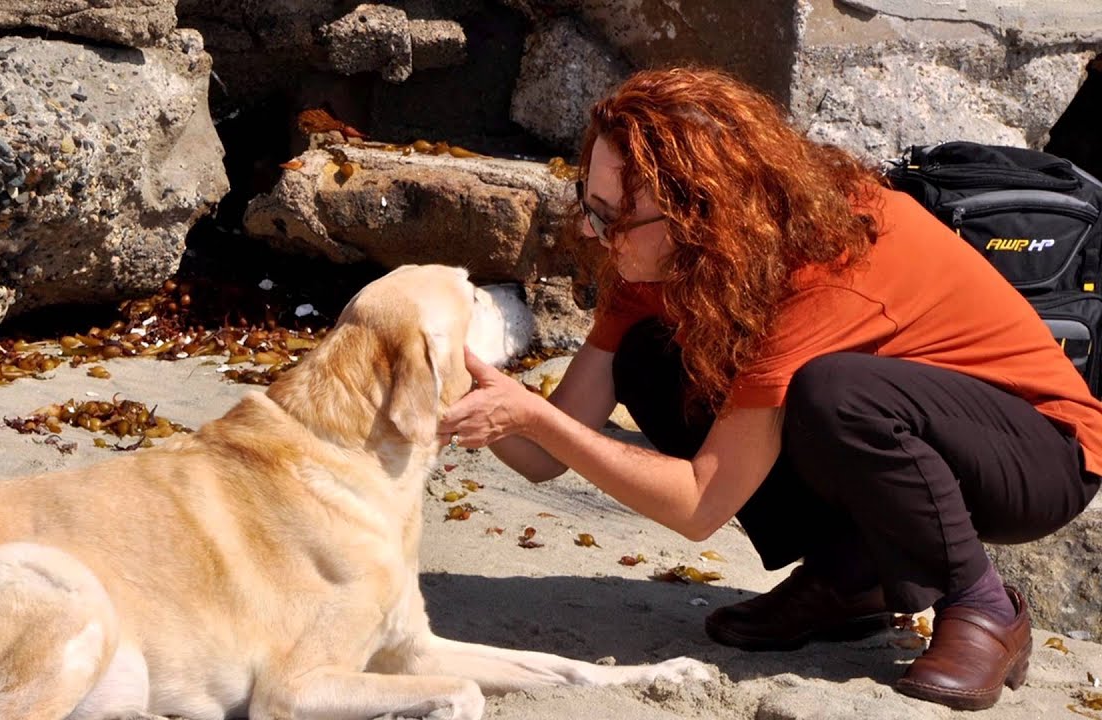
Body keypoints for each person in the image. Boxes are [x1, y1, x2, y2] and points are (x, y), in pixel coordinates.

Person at [438, 66, 1102, 711]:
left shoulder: (824, 259)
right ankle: (852, 577)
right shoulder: (662, 258)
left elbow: (699, 506)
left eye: (615, 216)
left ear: (701, 211)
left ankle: (982, 604)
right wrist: (453, 382)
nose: (593, 233)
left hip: (1042, 452)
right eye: (591, 205)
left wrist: (532, 417)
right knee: (649, 358)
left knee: (835, 392)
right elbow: (545, 452)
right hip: (910, 433)